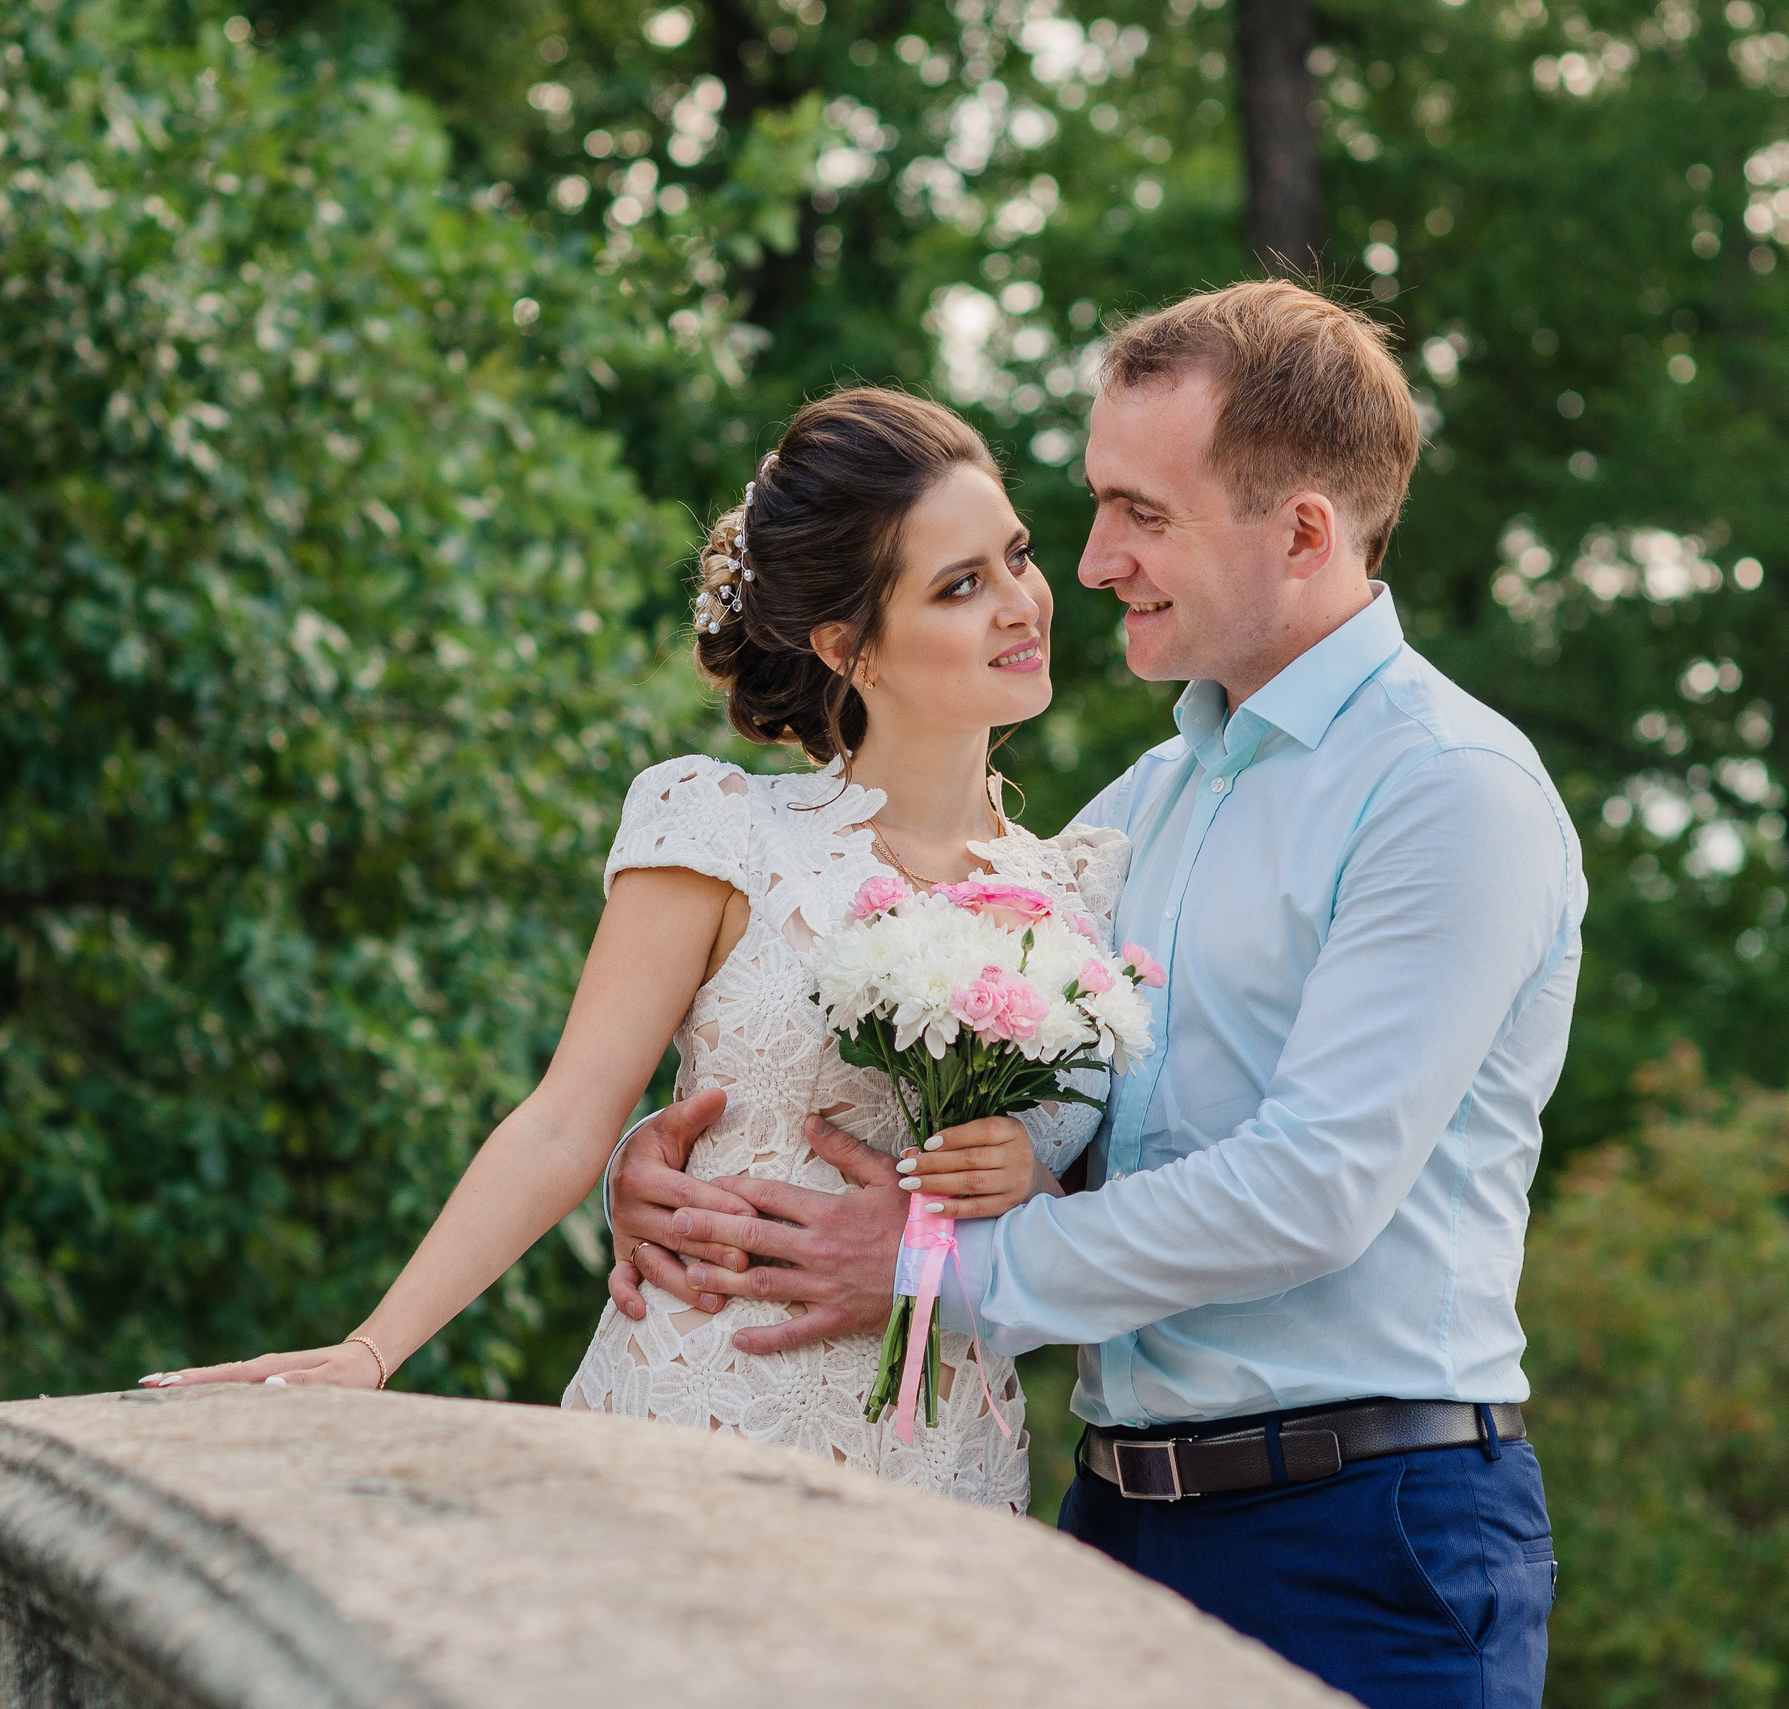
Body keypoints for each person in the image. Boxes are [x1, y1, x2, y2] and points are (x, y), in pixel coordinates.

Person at [608, 281, 1585, 1709]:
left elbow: (1314, 1186)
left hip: (1364, 1534)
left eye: (1142, 511)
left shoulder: (1448, 793)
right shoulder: (1141, 809)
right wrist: (688, 1159)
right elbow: (1001, 1092)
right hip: (1112, 1522)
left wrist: (937, 1268)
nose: (1093, 557)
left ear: (1304, 530)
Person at [139, 388, 1133, 1511]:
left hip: (949, 1469)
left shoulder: (1085, 887)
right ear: (847, 645)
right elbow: (566, 1119)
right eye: (961, 585)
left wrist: (1031, 1183)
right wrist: (373, 1348)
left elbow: (1121, 1193)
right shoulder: (722, 832)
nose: (1022, 603)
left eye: (1017, 556)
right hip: (708, 1424)